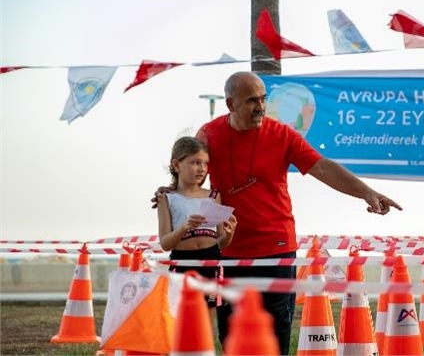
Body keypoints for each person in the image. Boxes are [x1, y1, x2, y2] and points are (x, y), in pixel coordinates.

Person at [154, 71, 402, 355]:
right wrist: (170, 191)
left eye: (262, 99)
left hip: (276, 249)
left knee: (275, 335)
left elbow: (321, 166)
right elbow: (192, 172)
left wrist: (366, 192)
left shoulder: (282, 134)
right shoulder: (209, 134)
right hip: (227, 252)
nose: (260, 107)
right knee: (232, 335)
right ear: (230, 104)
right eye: (250, 101)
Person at [156, 136, 237, 338]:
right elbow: (165, 243)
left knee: (206, 326)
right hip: (182, 263)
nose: (201, 169)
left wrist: (229, 234)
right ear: (176, 165)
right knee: (179, 322)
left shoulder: (213, 196)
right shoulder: (166, 198)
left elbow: (221, 243)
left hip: (211, 262)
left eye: (205, 163)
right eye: (194, 162)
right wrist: (185, 227)